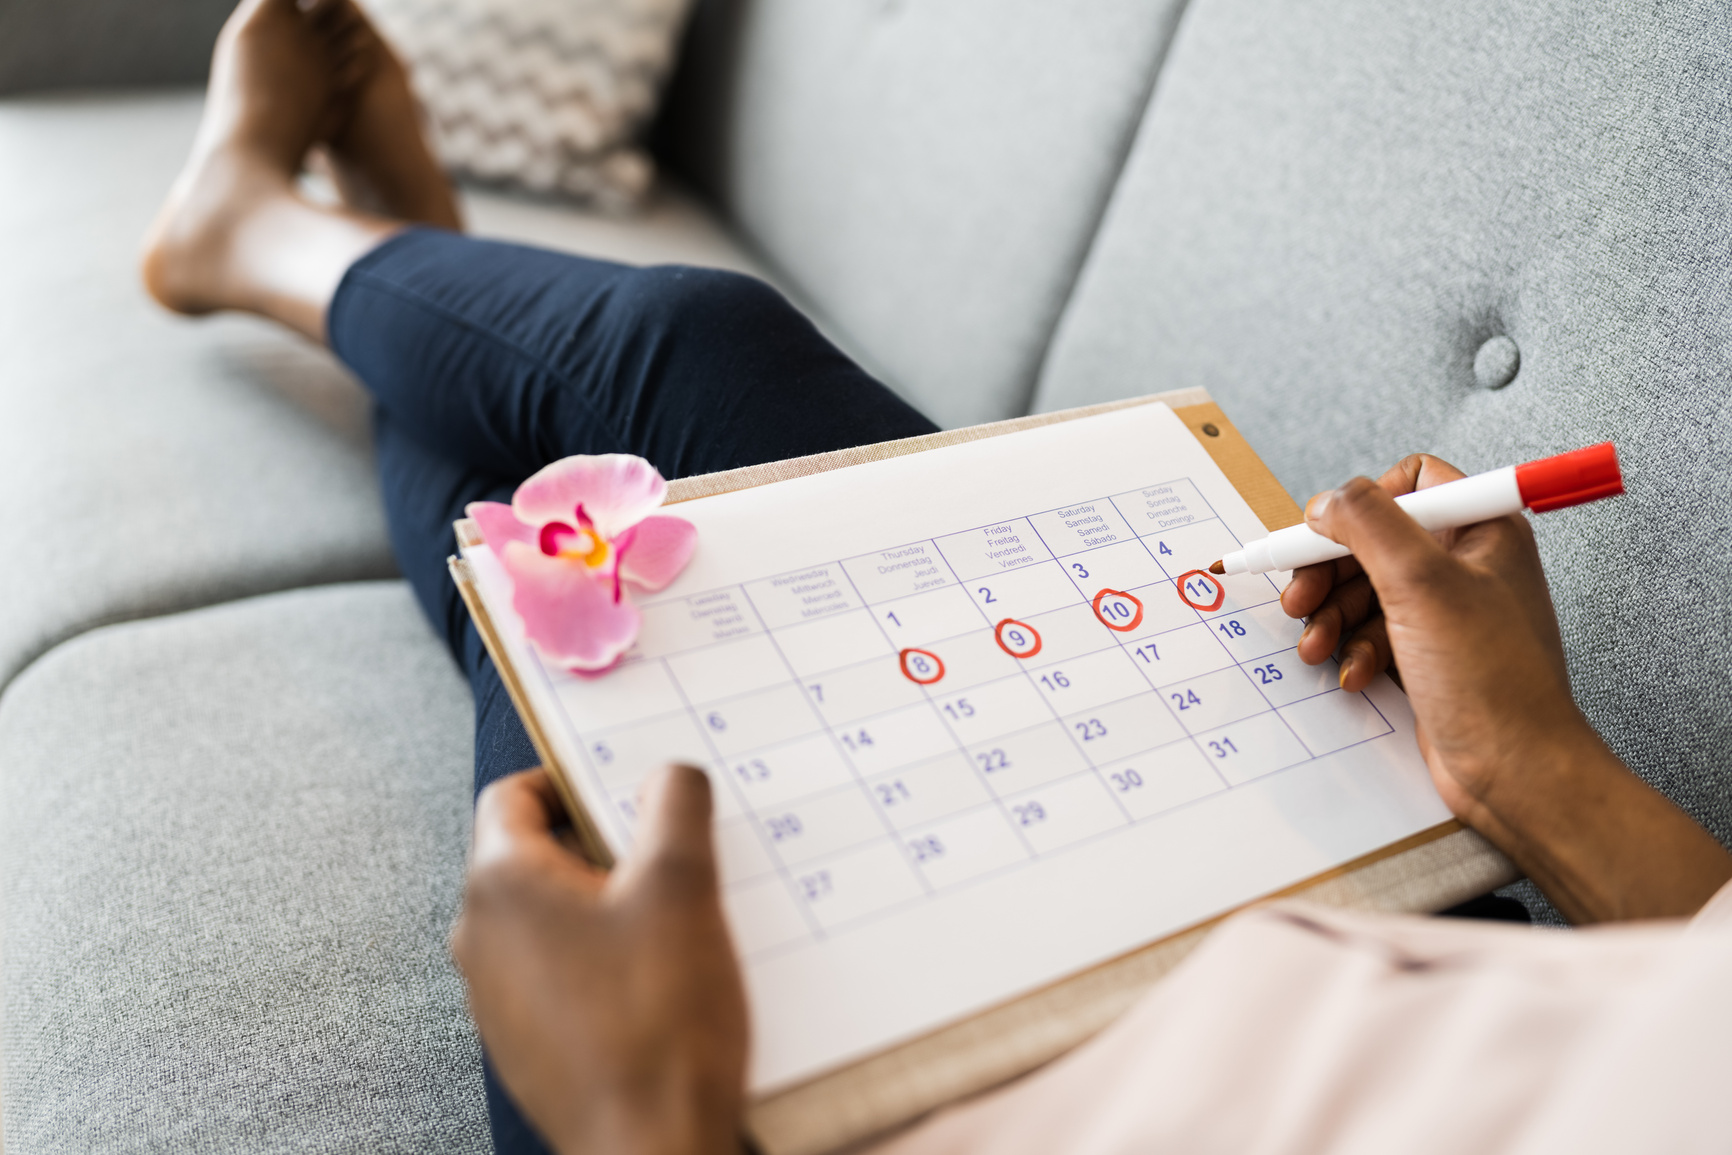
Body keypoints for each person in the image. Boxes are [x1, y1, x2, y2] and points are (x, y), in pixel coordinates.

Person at [144, 2, 1732, 1151]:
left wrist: (645, 1121)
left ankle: (297, 246)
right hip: (1392, 942)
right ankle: (362, 255)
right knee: (700, 362)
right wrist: (1536, 764)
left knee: (590, 574)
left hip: (876, 1103)